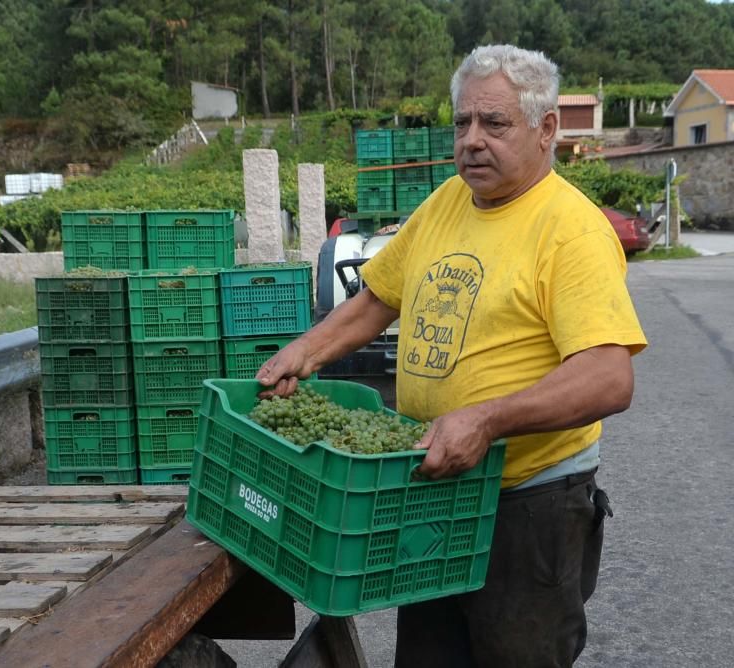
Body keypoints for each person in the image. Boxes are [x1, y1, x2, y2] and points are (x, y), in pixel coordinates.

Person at [256, 44, 647, 667]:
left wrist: (486, 419)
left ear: (545, 130)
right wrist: (302, 352)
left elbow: (608, 376)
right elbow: (378, 297)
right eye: (462, 122)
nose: (470, 140)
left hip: (526, 505)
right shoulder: (447, 201)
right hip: (438, 492)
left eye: (494, 124)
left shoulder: (570, 230)